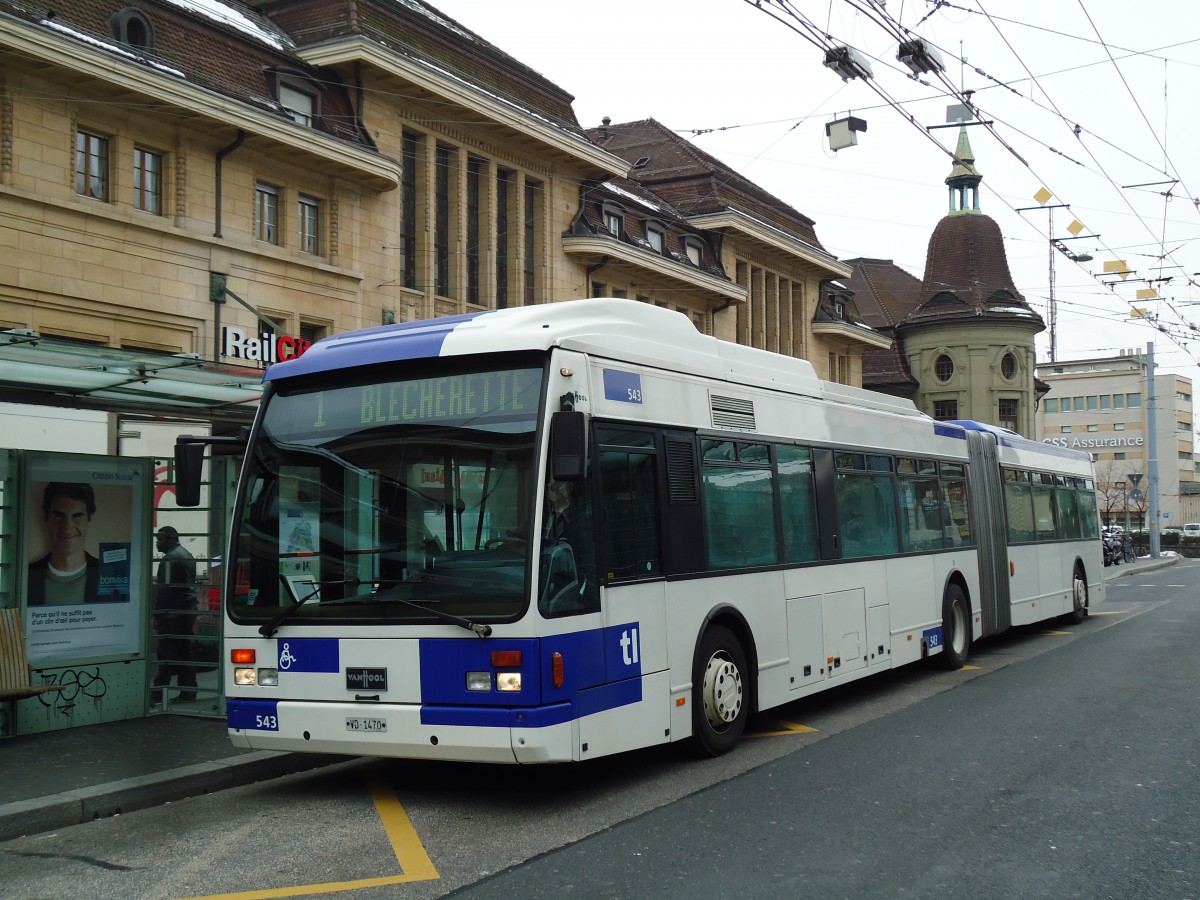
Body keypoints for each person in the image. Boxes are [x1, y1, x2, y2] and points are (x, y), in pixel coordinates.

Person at [27, 482, 101, 606]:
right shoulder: (23, 577)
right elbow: (9, 625)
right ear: (46, 517)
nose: (67, 528)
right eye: (59, 516)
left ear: (90, 517)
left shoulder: (111, 576)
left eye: (77, 516)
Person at [152, 526, 198, 703]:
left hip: (173, 613)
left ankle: (157, 693)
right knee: (185, 652)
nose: (157, 543)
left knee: (165, 653)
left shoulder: (170, 559)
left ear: (171, 538)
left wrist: (158, 614)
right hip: (187, 610)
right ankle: (188, 690)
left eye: (160, 539)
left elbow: (165, 591)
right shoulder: (186, 554)